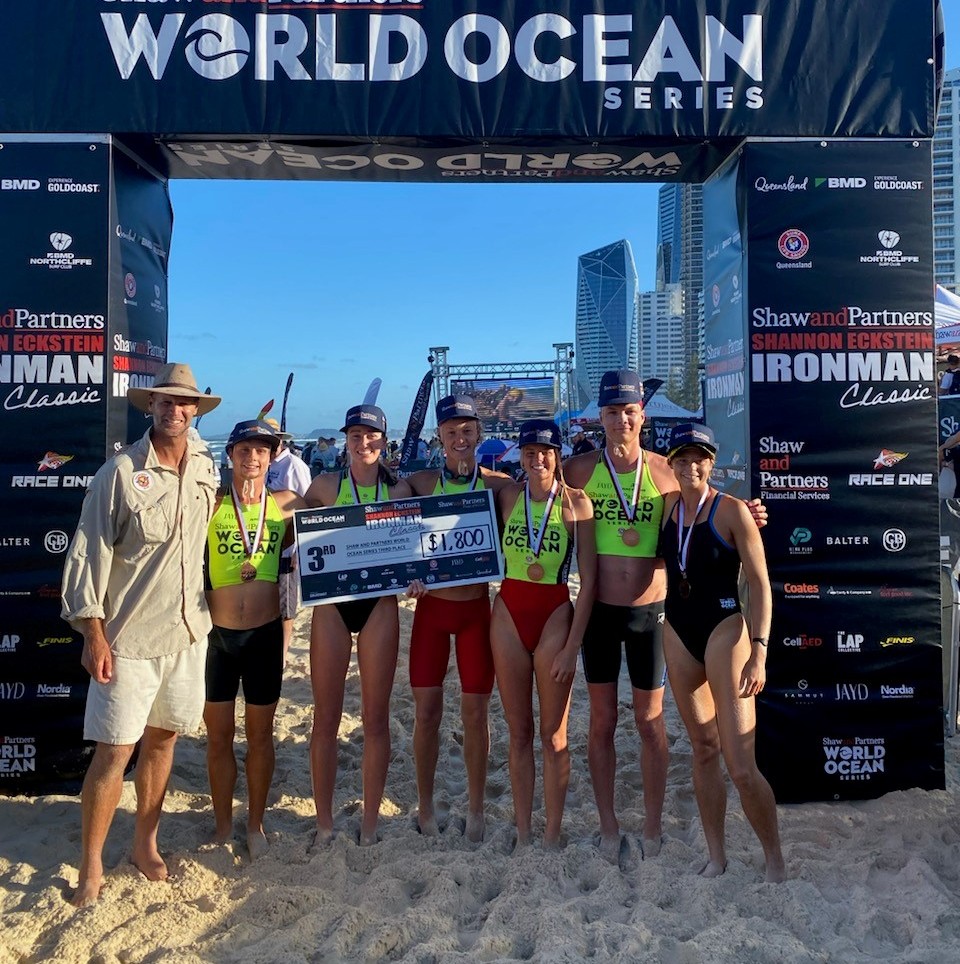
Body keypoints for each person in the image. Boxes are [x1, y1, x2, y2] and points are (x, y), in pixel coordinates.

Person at [563, 370, 765, 862]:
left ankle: (652, 824)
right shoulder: (578, 470)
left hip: (652, 613)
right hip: (599, 613)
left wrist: (748, 512)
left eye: (629, 412)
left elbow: (710, 502)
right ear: (600, 417)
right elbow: (527, 489)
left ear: (642, 416)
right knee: (602, 723)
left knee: (651, 723)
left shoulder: (666, 470)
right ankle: (608, 823)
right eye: (612, 412)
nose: (621, 420)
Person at [60, 362, 221, 907]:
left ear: (195, 410)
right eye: (165, 401)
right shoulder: (120, 473)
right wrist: (93, 633)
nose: (174, 410)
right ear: (150, 406)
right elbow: (88, 555)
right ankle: (90, 867)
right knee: (114, 753)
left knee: (164, 740)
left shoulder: (206, 464)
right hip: (128, 640)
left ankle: (144, 844)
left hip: (188, 633)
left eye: (184, 403)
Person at [659, 423, 785, 883]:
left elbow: (761, 585)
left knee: (742, 766)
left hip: (725, 631)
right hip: (678, 632)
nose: (691, 466)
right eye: (682, 458)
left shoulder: (732, 511)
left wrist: (760, 651)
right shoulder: (666, 506)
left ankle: (774, 860)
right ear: (671, 464)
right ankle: (717, 856)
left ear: (711, 463)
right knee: (703, 749)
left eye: (700, 458)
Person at [406, 394, 514, 840]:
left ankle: (476, 808)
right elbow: (378, 520)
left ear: (479, 434)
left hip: (475, 611)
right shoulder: (420, 483)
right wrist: (406, 572)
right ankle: (425, 805)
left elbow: (543, 499)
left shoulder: (499, 486)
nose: (460, 438)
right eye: (451, 432)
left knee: (475, 714)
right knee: (427, 714)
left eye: (467, 430)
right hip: (430, 610)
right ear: (440, 437)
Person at [303, 404, 411, 845]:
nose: (363, 443)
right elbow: (293, 526)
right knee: (325, 717)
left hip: (379, 605)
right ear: (345, 440)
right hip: (333, 606)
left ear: (384, 440)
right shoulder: (325, 485)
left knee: (375, 718)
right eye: (355, 436)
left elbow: (418, 547)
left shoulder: (399, 490)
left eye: (371, 436)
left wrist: (417, 576)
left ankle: (370, 822)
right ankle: (324, 822)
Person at [490, 419, 596, 848]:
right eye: (530, 452)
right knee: (518, 733)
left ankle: (552, 833)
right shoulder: (507, 495)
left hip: (554, 615)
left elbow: (590, 581)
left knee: (554, 737)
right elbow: (456, 484)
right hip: (507, 615)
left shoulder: (577, 504)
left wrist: (573, 646)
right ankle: (523, 831)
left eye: (546, 452)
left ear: (558, 455)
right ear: (520, 456)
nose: (538, 460)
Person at [204, 419, 304, 859]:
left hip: (264, 636)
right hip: (217, 638)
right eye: (244, 450)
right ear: (230, 455)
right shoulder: (211, 503)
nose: (253, 458)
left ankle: (256, 823)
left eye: (262, 450)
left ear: (272, 457)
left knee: (260, 736)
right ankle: (223, 825)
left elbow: (338, 523)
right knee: (218, 736)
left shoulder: (286, 505)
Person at [262, 416, 311, 659]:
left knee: (286, 604)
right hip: (264, 545)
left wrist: (300, 548)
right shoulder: (264, 463)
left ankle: (282, 655)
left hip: (288, 545)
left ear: (280, 441)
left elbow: (307, 505)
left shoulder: (294, 465)